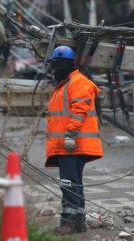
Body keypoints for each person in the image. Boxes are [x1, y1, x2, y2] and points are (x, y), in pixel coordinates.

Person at [45, 46, 103, 235]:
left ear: (62, 64)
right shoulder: (67, 83)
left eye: (55, 65)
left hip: (73, 144)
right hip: (67, 146)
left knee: (69, 184)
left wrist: (70, 134)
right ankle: (77, 222)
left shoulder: (77, 82)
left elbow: (80, 110)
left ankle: (70, 223)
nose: (53, 70)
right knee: (70, 184)